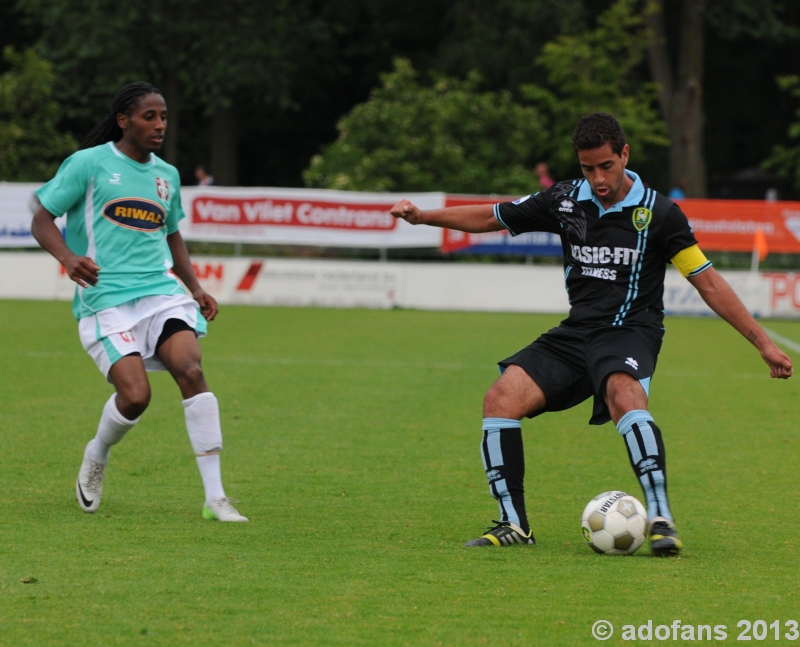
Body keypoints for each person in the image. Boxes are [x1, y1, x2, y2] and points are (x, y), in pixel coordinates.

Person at [390, 112, 792, 555]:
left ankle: (660, 518)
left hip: (629, 331)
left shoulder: (659, 213)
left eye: (606, 166)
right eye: (587, 168)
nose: (598, 179)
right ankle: (513, 524)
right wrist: (424, 216)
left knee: (625, 396)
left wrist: (763, 344)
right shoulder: (564, 200)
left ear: (625, 155)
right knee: (500, 398)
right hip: (577, 332)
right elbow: (492, 217)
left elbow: (708, 281)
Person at [31, 81, 247, 522]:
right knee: (135, 397)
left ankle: (216, 497)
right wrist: (68, 258)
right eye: (149, 116)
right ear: (123, 120)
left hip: (160, 293)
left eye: (164, 117)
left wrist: (196, 287)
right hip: (104, 298)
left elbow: (171, 234)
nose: (159, 125)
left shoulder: (166, 175)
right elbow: (41, 218)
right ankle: (97, 454)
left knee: (192, 370)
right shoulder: (89, 164)